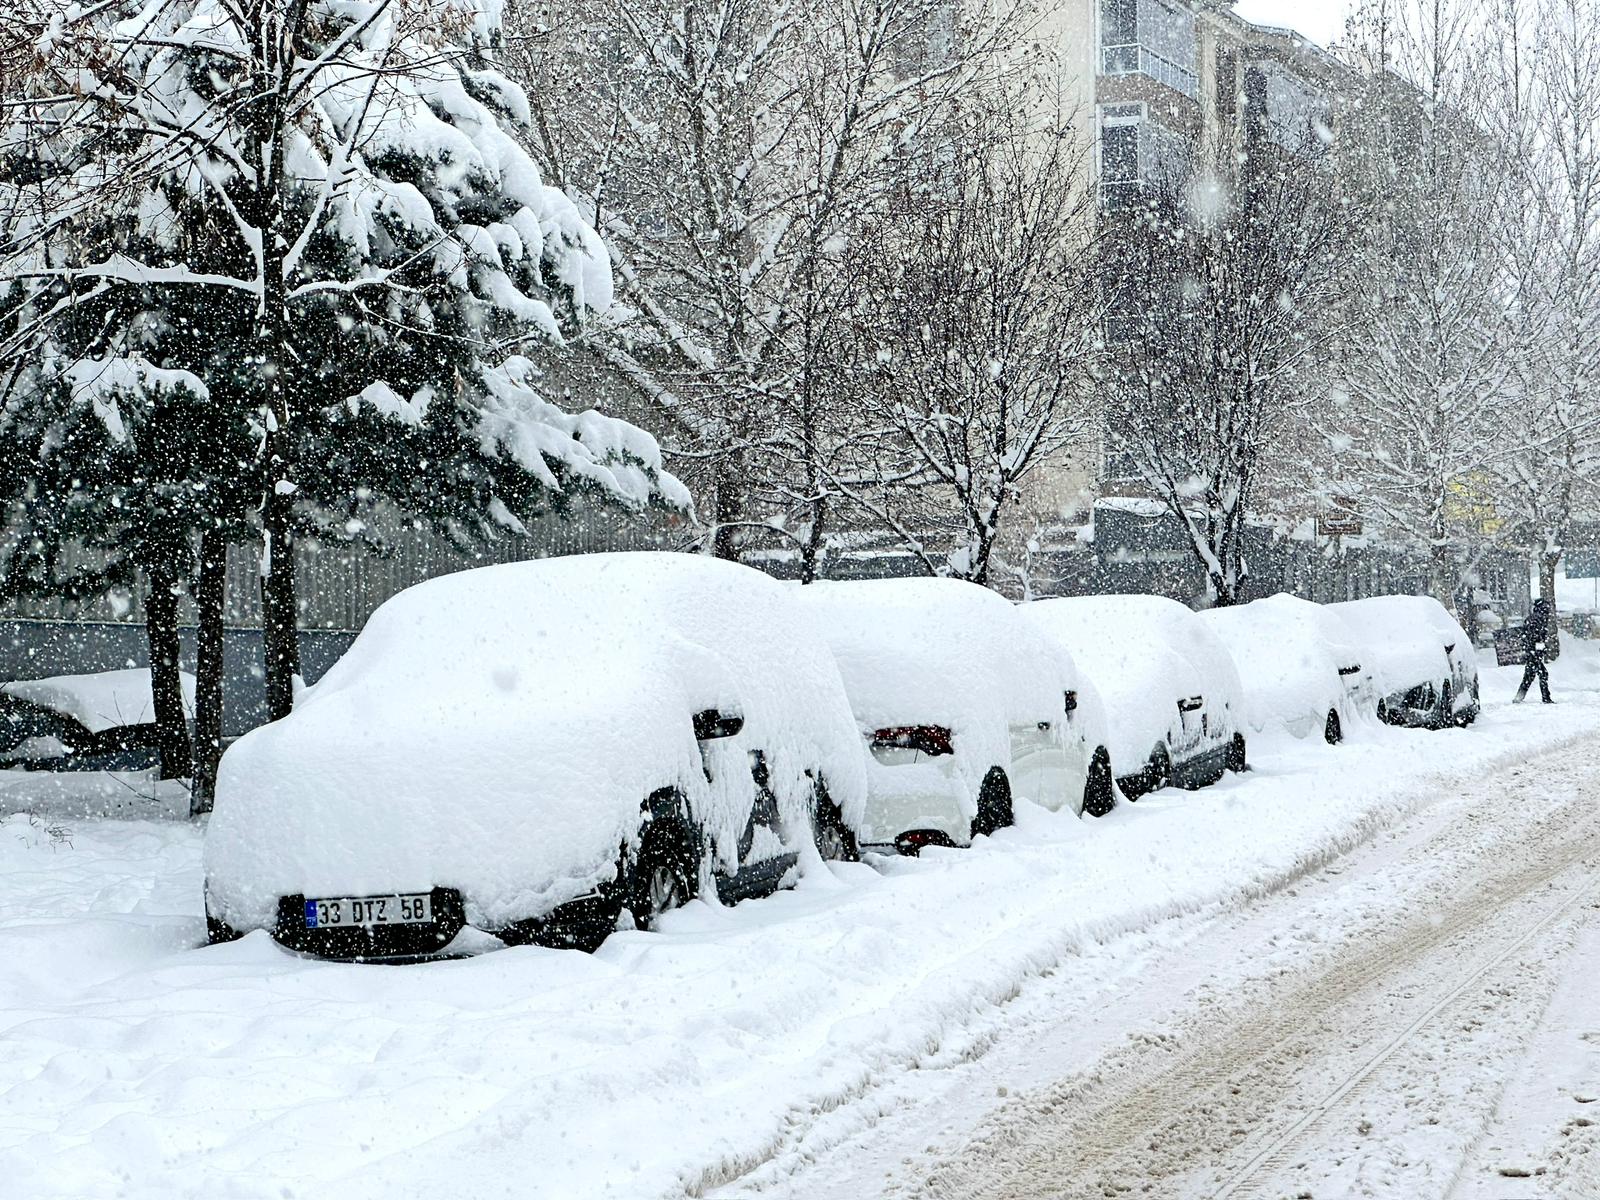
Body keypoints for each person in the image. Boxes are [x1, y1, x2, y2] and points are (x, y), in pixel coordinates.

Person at [1514, 597, 1556, 704]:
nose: (1547, 610)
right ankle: (1546, 697)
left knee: (1529, 675)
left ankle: (1519, 697)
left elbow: (1527, 636)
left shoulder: (1534, 618)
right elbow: (1535, 637)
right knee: (1543, 673)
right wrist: (1537, 650)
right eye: (1545, 607)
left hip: (1532, 652)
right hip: (1533, 653)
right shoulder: (1537, 619)